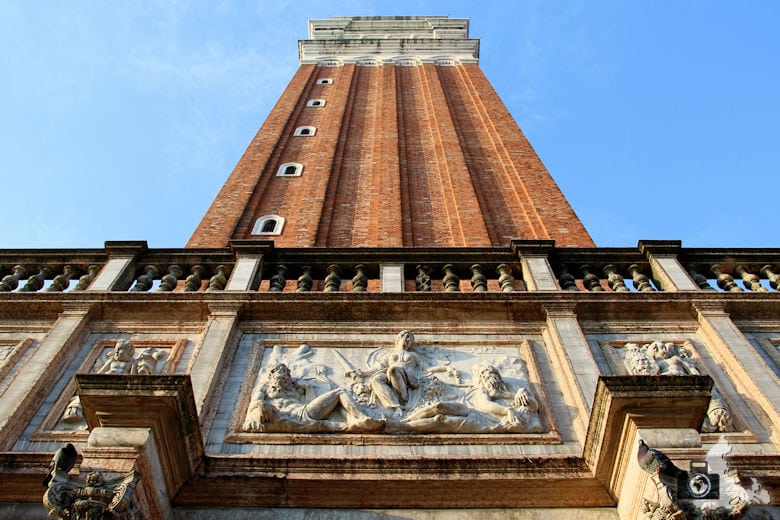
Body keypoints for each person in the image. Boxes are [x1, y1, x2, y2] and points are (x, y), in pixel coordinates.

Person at [243, 363, 383, 433]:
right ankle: (361, 419)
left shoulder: (295, 388)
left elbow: (311, 403)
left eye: (285, 373)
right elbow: (255, 404)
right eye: (279, 372)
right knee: (261, 404)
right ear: (271, 375)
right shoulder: (264, 388)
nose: (283, 375)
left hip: (304, 413)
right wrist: (256, 415)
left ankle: (362, 417)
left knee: (340, 391)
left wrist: (307, 388)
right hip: (282, 416)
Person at [401, 363, 538, 433]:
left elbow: (533, 406)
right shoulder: (483, 390)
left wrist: (522, 393)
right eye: (483, 374)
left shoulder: (513, 390)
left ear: (498, 376)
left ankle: (401, 426)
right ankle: (404, 420)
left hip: (481, 419)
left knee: (441, 419)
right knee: (439, 406)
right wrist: (507, 410)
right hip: (473, 410)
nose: (487, 376)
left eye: (490, 373)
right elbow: (485, 404)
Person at [351, 330, 422, 410]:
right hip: (389, 375)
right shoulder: (390, 354)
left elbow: (423, 368)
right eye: (406, 337)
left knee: (393, 369)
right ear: (399, 339)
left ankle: (403, 398)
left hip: (406, 377)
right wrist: (363, 373)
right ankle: (394, 405)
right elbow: (379, 367)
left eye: (411, 340)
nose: (408, 340)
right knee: (376, 379)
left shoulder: (413, 355)